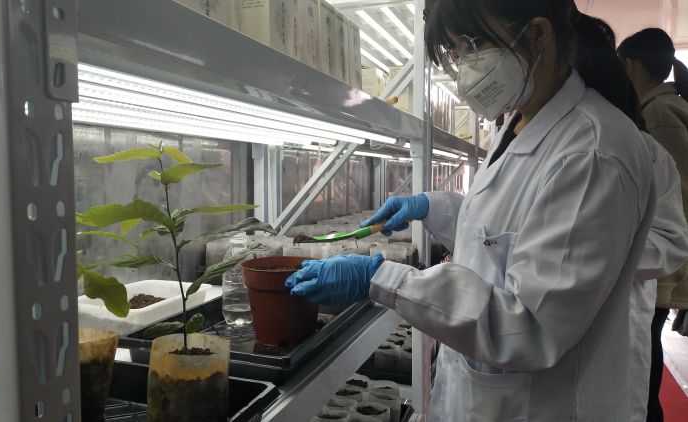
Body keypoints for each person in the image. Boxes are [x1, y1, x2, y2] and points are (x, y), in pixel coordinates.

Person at [286, 1, 658, 420]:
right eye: (454, 51)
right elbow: (501, 232)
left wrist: (381, 278)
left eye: (472, 44)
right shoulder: (520, 123)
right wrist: (431, 207)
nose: (463, 65)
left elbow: (532, 327)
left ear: (537, 34)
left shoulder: (593, 152)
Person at [618, 28, 688, 422]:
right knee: (646, 347)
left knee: (643, 353)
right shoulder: (667, 108)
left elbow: (674, 196)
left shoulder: (658, 116)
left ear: (629, 66)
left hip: (662, 260)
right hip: (665, 256)